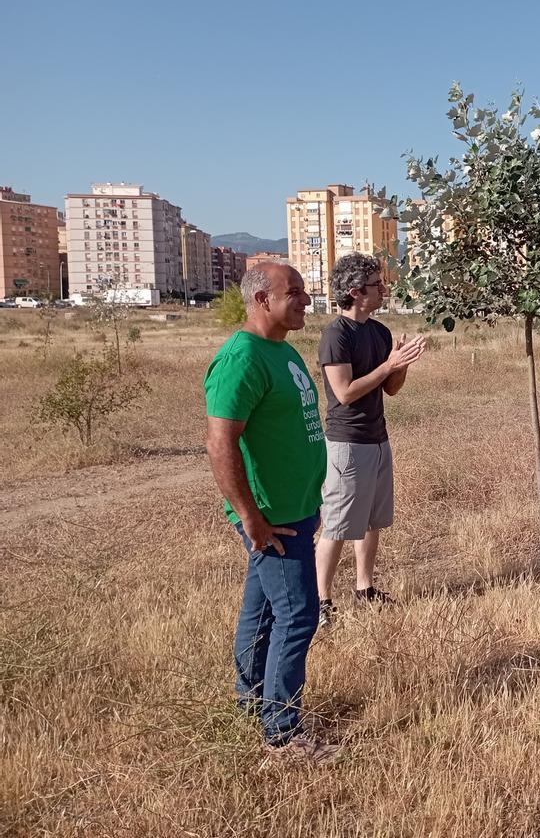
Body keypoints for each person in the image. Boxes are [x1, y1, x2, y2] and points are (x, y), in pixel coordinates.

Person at [204, 262, 336, 760]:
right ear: (261, 299)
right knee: (299, 616)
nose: (305, 300)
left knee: (260, 614)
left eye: (303, 291)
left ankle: (252, 702)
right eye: (295, 292)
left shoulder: (282, 351)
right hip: (272, 516)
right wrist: (251, 518)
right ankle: (282, 734)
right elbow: (220, 442)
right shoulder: (242, 358)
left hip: (296, 509)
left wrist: (311, 499)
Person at [315, 253, 426, 626]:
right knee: (337, 524)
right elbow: (344, 392)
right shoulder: (336, 335)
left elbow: (390, 389)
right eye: (377, 285)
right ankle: (321, 600)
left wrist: (402, 365)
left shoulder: (379, 333)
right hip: (347, 445)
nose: (384, 289)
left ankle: (365, 589)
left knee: (371, 521)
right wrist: (387, 366)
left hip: (378, 440)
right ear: (355, 292)